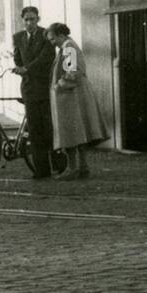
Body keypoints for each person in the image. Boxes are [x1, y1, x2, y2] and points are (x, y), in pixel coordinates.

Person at [45, 22, 107, 179]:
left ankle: (73, 169)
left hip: (70, 96)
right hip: (74, 94)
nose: (52, 43)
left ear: (61, 35)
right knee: (78, 132)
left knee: (70, 132)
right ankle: (82, 166)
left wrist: (58, 86)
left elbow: (73, 71)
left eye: (53, 39)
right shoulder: (67, 47)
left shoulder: (68, 47)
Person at [12, 5, 55, 179]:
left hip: (44, 88)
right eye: (26, 19)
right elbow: (17, 58)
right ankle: (41, 170)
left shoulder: (46, 35)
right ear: (23, 21)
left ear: (38, 19)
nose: (29, 22)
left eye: (33, 19)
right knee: (35, 131)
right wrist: (20, 68)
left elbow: (46, 58)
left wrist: (26, 69)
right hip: (29, 89)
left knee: (49, 129)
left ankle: (58, 165)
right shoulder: (18, 37)